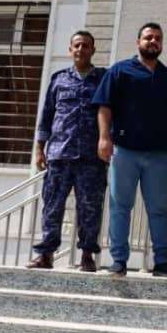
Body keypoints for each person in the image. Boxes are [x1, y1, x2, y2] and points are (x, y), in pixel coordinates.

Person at [93, 22, 167, 278]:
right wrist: (104, 138)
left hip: (157, 155)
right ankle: (119, 261)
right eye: (148, 37)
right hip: (124, 152)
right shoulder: (119, 71)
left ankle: (162, 262)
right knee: (120, 207)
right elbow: (104, 106)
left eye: (157, 38)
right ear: (138, 42)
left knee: (159, 210)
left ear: (161, 44)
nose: (153, 41)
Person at [29, 31, 107, 272]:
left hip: (91, 158)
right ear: (70, 49)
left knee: (90, 208)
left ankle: (87, 255)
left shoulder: (103, 79)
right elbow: (47, 116)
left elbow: (111, 113)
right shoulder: (59, 79)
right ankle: (46, 254)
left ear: (93, 50)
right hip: (59, 154)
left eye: (86, 46)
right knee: (52, 206)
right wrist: (40, 149)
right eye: (77, 45)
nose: (81, 49)